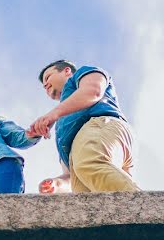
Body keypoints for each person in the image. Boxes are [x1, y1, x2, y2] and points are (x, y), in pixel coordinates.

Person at [27, 60, 138, 194]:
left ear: (66, 71)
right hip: (85, 154)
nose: (45, 84)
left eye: (48, 77)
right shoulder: (62, 124)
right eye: (43, 85)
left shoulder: (82, 73)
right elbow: (70, 175)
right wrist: (55, 184)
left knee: (89, 163)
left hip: (101, 125)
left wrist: (53, 114)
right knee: (89, 198)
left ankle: (147, 212)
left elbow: (93, 91)